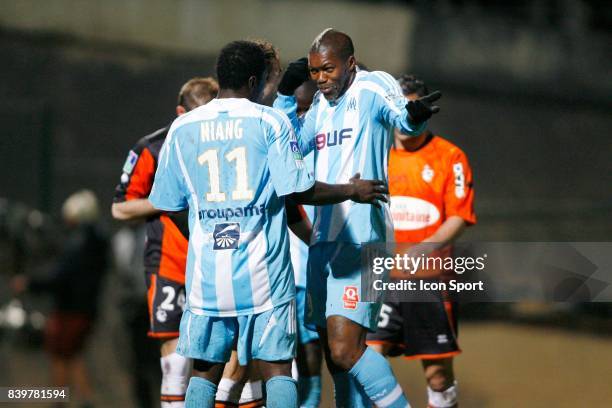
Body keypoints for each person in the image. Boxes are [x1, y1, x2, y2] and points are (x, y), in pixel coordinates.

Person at [148, 40, 387, 408]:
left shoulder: (183, 128)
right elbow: (300, 189)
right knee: (277, 369)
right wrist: (350, 190)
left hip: (208, 275)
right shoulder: (270, 121)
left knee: (204, 370)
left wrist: (202, 231)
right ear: (254, 79)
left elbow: (164, 203)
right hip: (264, 273)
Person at [273, 28, 441, 408]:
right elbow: (290, 145)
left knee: (346, 349)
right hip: (323, 240)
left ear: (350, 62)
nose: (321, 79)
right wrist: (285, 97)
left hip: (362, 234)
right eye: (314, 71)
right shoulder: (319, 105)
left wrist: (414, 118)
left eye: (328, 70)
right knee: (336, 356)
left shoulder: (371, 86)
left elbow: (401, 115)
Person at [367, 75, 476, 408]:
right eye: (399, 109)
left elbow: (459, 216)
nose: (406, 118)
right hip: (380, 278)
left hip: (429, 280)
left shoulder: (450, 157)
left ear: (427, 112)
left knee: (438, 376)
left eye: (413, 109)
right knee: (368, 363)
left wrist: (423, 248)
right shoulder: (374, 154)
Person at [112, 77, 219, 407]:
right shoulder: (152, 148)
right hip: (170, 263)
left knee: (223, 356)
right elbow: (120, 207)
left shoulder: (230, 142)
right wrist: (165, 200)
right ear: (179, 112)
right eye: (196, 116)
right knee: (175, 361)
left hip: (219, 265)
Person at [11, 190, 109, 408]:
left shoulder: (79, 244)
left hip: (70, 310)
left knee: (60, 355)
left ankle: (60, 402)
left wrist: (30, 283)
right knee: (74, 355)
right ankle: (84, 400)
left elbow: (61, 275)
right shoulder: (97, 242)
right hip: (86, 309)